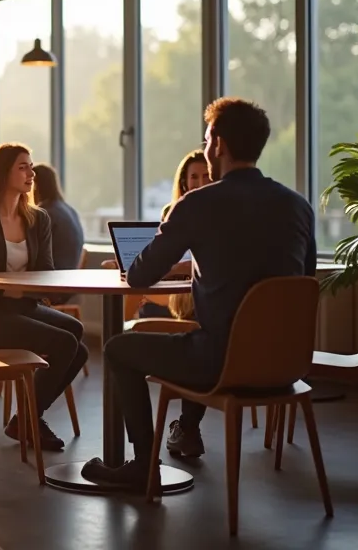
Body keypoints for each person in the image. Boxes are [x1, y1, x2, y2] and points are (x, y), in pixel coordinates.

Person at [82, 98, 316, 490]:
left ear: (219, 145)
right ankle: (179, 436)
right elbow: (305, 280)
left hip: (220, 361)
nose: (206, 147)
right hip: (287, 365)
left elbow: (140, 274)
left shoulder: (197, 204)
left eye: (208, 138)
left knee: (120, 348)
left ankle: (143, 467)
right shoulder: (298, 206)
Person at [0, 143, 87, 451]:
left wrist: (20, 289)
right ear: (3, 173)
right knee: (65, 343)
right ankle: (31, 420)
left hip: (23, 307)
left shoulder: (38, 219)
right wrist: (22, 288)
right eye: (23, 167)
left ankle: (26, 418)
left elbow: (46, 272)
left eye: (31, 166)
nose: (31, 173)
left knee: (77, 337)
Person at [136, 150, 211, 320]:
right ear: (184, 183)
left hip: (200, 295)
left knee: (145, 303)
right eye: (194, 177)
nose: (200, 183)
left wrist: (182, 268)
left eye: (207, 176)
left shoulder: (219, 214)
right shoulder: (172, 212)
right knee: (144, 304)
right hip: (174, 289)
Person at [30, 164, 84, 304]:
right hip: (69, 284)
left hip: (52, 287)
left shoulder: (43, 214)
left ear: (35, 185)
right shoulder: (69, 210)